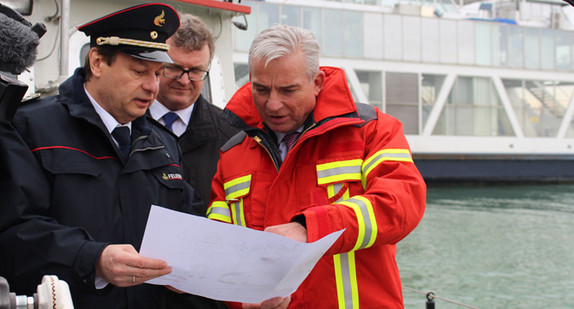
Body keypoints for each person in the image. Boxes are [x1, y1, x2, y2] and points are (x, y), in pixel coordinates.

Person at [208, 24, 427, 308]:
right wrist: (241, 301)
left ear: (318, 82)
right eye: (261, 89)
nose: (273, 104)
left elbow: (401, 205)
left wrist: (311, 229)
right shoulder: (232, 153)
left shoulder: (372, 131)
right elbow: (220, 249)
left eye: (288, 90)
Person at [0, 4, 204, 308]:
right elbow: (12, 233)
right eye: (139, 71)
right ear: (97, 62)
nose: (152, 86)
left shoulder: (164, 144)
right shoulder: (28, 129)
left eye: (158, 73)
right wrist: (92, 259)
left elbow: (191, 226)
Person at [149, 13, 239, 216]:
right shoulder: (123, 126)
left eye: (196, 71)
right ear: (156, 65)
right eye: (174, 68)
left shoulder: (232, 137)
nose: (184, 80)